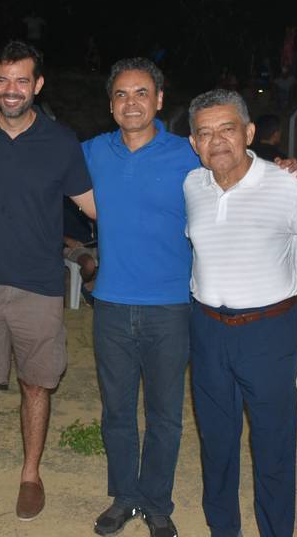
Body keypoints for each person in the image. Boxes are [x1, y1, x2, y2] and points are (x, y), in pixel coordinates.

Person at [0, 40, 95, 524]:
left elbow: (93, 205)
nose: (12, 90)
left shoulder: (61, 142)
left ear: (38, 85)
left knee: (37, 386)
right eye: (3, 80)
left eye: (22, 80)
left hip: (39, 287)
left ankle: (30, 476)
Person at [185, 89, 297, 537]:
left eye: (227, 129)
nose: (216, 140)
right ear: (193, 143)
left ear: (250, 133)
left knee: (273, 447)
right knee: (216, 446)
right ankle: (224, 530)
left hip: (269, 334)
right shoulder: (192, 185)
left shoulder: (289, 184)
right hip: (207, 331)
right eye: (205, 133)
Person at [84, 58, 200, 537]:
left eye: (141, 93)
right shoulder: (90, 151)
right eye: (121, 94)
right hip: (110, 305)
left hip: (172, 308)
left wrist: (294, 167)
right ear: (111, 104)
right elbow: (33, 153)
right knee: (116, 411)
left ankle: (155, 501)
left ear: (158, 100)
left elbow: (246, 168)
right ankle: (124, 497)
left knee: (165, 414)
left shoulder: (190, 152)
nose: (131, 103)